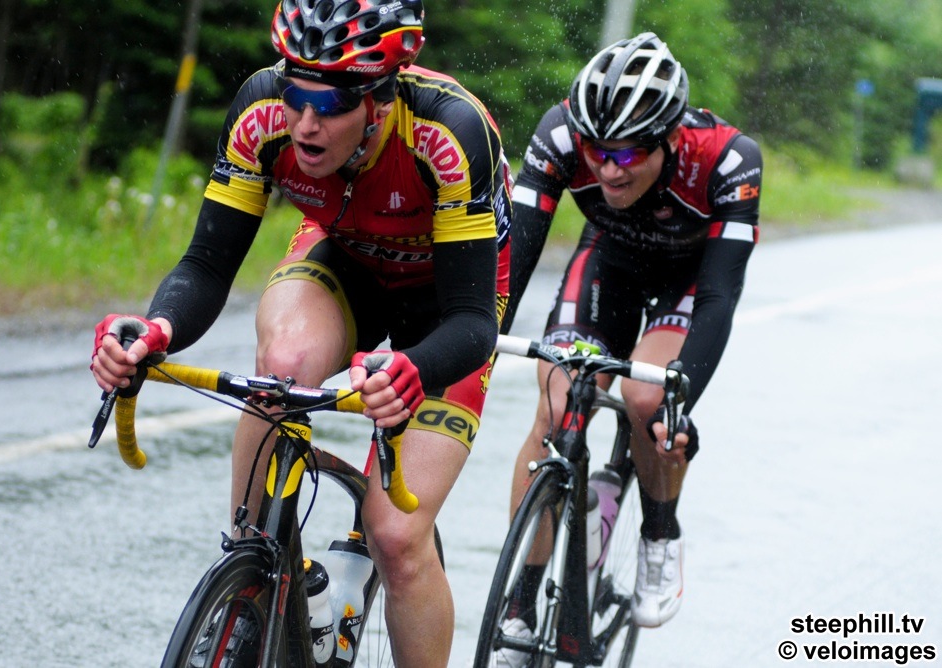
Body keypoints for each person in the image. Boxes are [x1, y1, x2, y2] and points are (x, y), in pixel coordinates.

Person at [90, 1, 512, 665]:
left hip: (446, 303)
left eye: (332, 103)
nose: (306, 123)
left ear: (379, 99)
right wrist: (155, 329)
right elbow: (207, 265)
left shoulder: (448, 130)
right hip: (345, 259)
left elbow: (472, 322)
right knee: (282, 364)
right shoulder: (261, 111)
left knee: (396, 537)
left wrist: (414, 368)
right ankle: (251, 578)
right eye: (296, 93)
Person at [498, 31, 762, 645]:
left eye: (627, 154)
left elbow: (719, 297)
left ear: (670, 139)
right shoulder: (561, 135)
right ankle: (520, 601)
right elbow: (515, 257)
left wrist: (680, 399)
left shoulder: (729, 160)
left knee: (647, 400)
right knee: (557, 407)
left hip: (688, 280)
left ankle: (659, 533)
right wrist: (479, 331)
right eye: (596, 151)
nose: (607, 168)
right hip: (610, 261)